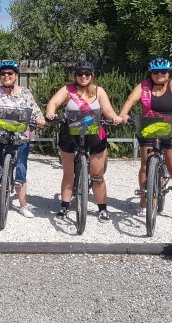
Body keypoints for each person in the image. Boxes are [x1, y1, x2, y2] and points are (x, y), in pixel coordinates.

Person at [119, 58, 172, 222]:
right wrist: (123, 114)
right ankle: (144, 200)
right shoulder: (144, 86)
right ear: (150, 73)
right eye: (155, 72)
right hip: (150, 127)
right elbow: (130, 100)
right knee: (144, 165)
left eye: (163, 71)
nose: (159, 75)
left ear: (169, 73)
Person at [44, 61, 122, 223]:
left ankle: (102, 208)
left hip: (94, 134)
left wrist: (114, 117)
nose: (83, 76)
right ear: (75, 76)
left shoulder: (99, 91)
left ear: (92, 75)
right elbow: (54, 102)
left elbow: (107, 110)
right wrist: (51, 112)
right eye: (80, 74)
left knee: (97, 175)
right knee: (68, 173)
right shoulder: (68, 90)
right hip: (70, 134)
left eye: (87, 73)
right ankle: (64, 205)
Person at [0, 60, 45, 218]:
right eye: (3, 74)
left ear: (16, 76)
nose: (6, 76)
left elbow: (35, 111)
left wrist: (40, 119)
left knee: (21, 170)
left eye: (10, 73)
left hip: (20, 137)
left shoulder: (25, 93)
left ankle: (23, 205)